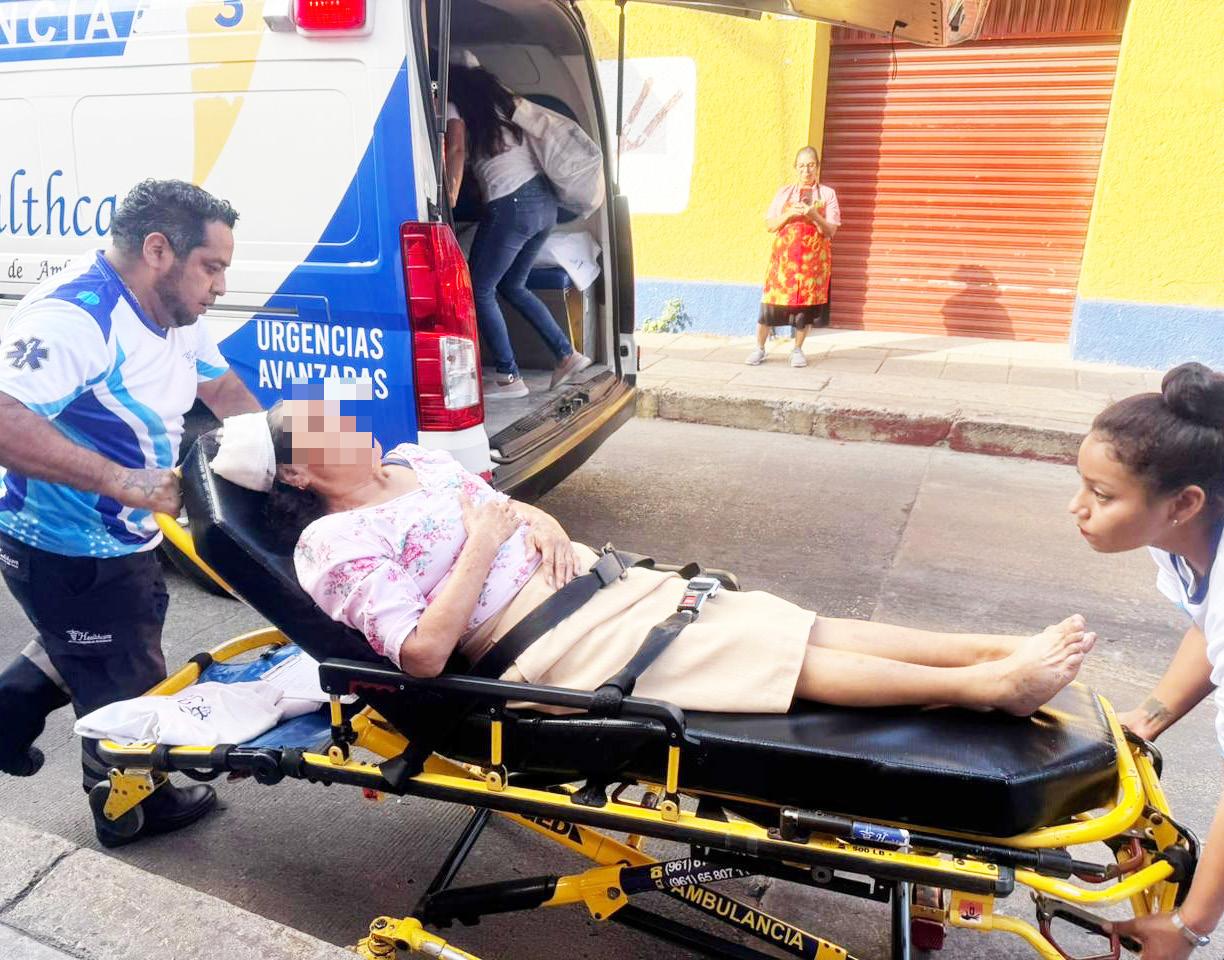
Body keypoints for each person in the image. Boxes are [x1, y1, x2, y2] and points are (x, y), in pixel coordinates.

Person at [212, 398, 1095, 718]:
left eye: (338, 413)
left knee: (790, 621)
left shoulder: (420, 461)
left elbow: (507, 508)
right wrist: (484, 544)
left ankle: (990, 650)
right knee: (768, 656)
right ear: (295, 471)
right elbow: (423, 655)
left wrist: (535, 521)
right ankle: (986, 688)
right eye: (322, 429)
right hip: (546, 644)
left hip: (598, 582)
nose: (348, 424)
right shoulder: (332, 543)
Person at [0, 179, 262, 847]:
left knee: (99, 639)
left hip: (122, 536)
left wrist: (278, 454)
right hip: (68, 544)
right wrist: (126, 483)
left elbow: (223, 388)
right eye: (212, 266)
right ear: (157, 250)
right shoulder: (76, 319)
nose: (221, 286)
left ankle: (8, 710)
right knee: (129, 684)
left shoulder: (175, 309)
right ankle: (132, 810)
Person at [1069, 362, 1224, 958]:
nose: (1077, 508)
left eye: (1102, 495)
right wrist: (1146, 720)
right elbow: (1207, 628)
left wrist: (1189, 925)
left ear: (1184, 502)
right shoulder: (1181, 540)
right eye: (1083, 484)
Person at [448, 64, 591, 400]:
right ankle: (566, 354)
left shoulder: (455, 107)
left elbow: (455, 149)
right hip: (545, 203)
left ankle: (508, 377)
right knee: (513, 285)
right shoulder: (503, 107)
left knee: (479, 289)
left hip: (512, 205)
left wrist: (450, 193)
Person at [748, 147, 840, 369]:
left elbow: (831, 230)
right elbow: (770, 225)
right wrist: (790, 213)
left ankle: (797, 349)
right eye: (802, 166)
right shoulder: (784, 193)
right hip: (783, 264)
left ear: (817, 167)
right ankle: (759, 348)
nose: (806, 170)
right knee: (769, 307)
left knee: (803, 312)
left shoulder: (827, 194)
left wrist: (813, 214)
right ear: (795, 168)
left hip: (811, 265)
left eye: (811, 165)